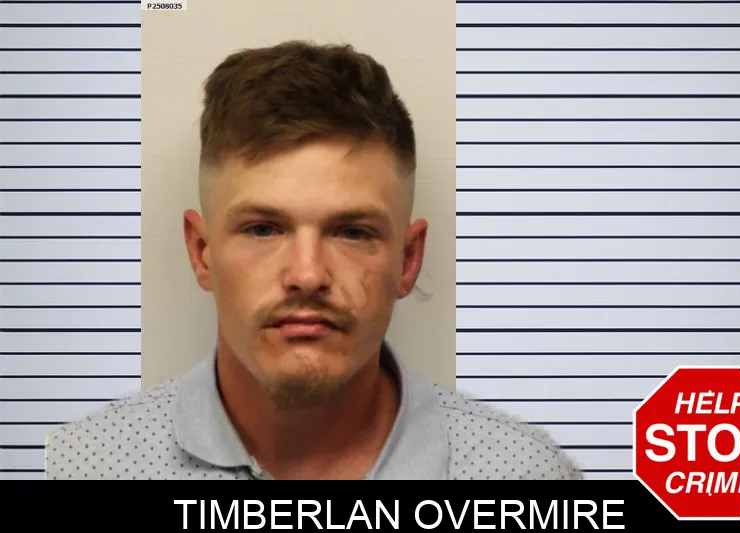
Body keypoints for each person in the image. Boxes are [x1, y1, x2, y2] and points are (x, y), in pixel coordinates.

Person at [45, 40, 582, 480]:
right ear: (201, 252)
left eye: (352, 232)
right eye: (262, 228)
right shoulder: (79, 468)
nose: (307, 275)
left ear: (408, 260)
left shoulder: (523, 476)